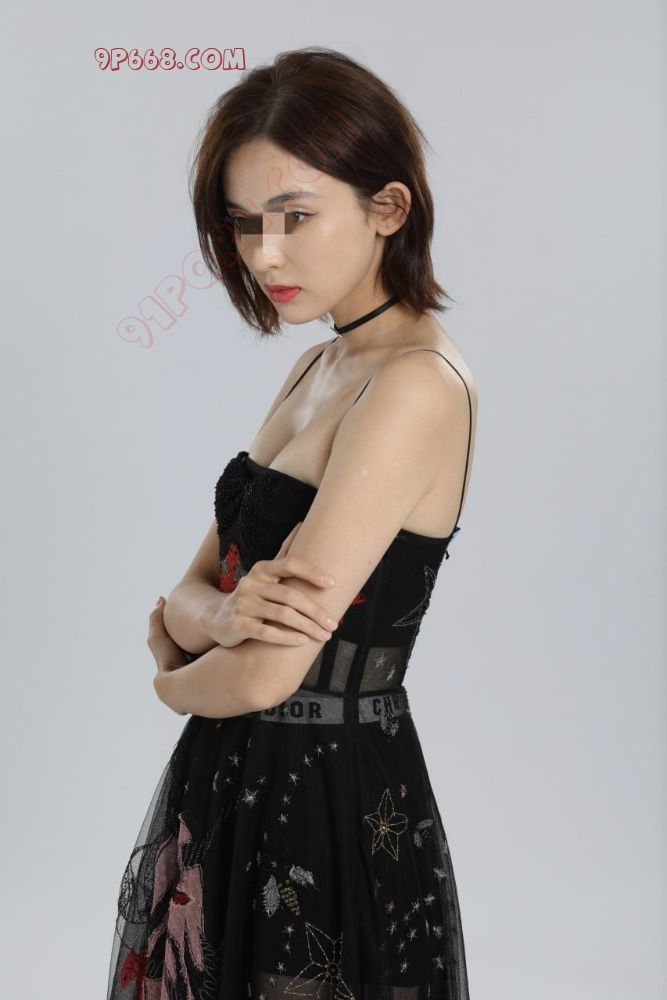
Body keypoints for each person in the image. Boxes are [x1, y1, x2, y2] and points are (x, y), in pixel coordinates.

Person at [107, 47, 477, 1000]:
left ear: (387, 208)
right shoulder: (319, 367)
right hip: (233, 775)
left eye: (295, 216)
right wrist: (219, 619)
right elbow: (195, 591)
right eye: (243, 222)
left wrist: (170, 680)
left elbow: (264, 671)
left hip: (326, 795)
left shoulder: (414, 387)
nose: (263, 254)